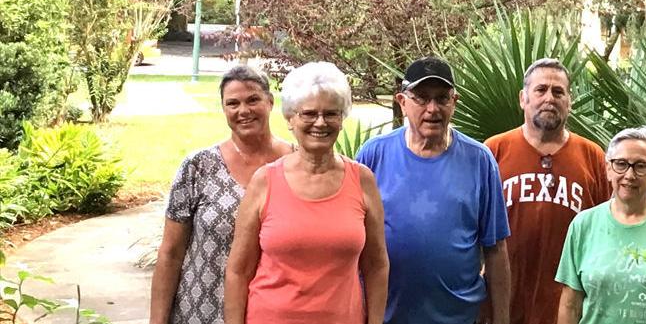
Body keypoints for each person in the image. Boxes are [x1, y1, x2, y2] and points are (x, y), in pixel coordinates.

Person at [224, 62, 388, 324]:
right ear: (290, 119)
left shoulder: (363, 180)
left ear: (341, 118)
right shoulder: (265, 181)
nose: (320, 123)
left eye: (331, 114)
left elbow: (376, 265)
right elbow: (238, 271)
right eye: (309, 114)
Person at [356, 56, 511, 324]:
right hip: (385, 315)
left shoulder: (480, 160)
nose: (432, 108)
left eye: (442, 98)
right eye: (422, 98)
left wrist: (501, 319)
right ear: (402, 102)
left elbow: (496, 249)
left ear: (455, 102)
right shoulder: (373, 155)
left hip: (459, 317)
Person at [150, 65, 294, 324]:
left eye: (253, 100)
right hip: (201, 312)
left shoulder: (298, 163)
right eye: (233, 103)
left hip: (276, 312)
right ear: (224, 109)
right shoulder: (198, 166)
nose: (243, 111)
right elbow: (170, 252)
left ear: (270, 102)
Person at [485, 59, 613, 324]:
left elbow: (606, 233)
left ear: (570, 100)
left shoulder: (593, 156)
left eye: (558, 92)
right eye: (540, 90)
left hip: (569, 307)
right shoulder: (493, 151)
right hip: (504, 305)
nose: (549, 98)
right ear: (523, 98)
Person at [556, 127, 646, 324]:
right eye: (621, 164)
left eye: (641, 166)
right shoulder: (584, 224)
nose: (629, 175)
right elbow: (570, 305)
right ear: (608, 169)